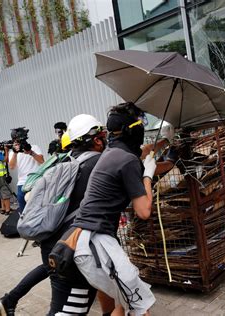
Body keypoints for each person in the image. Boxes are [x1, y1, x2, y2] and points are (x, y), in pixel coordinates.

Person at [0, 115, 106, 316]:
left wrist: (28, 151)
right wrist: (14, 152)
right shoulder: (92, 166)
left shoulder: (59, 163)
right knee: (64, 306)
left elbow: (40, 163)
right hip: (67, 245)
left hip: (52, 238)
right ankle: (9, 299)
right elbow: (12, 167)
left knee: (50, 273)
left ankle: (9, 299)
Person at [72, 102, 157, 316]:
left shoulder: (111, 152)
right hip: (97, 243)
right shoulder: (127, 160)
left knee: (122, 302)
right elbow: (144, 211)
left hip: (84, 240)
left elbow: (134, 157)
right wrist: (148, 174)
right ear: (132, 129)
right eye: (141, 123)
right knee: (139, 304)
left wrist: (159, 145)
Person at [8, 128, 44, 213]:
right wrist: (15, 153)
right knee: (23, 206)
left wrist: (31, 152)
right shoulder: (12, 153)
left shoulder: (34, 147)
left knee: (39, 204)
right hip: (22, 182)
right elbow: (12, 166)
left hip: (36, 180)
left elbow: (42, 161)